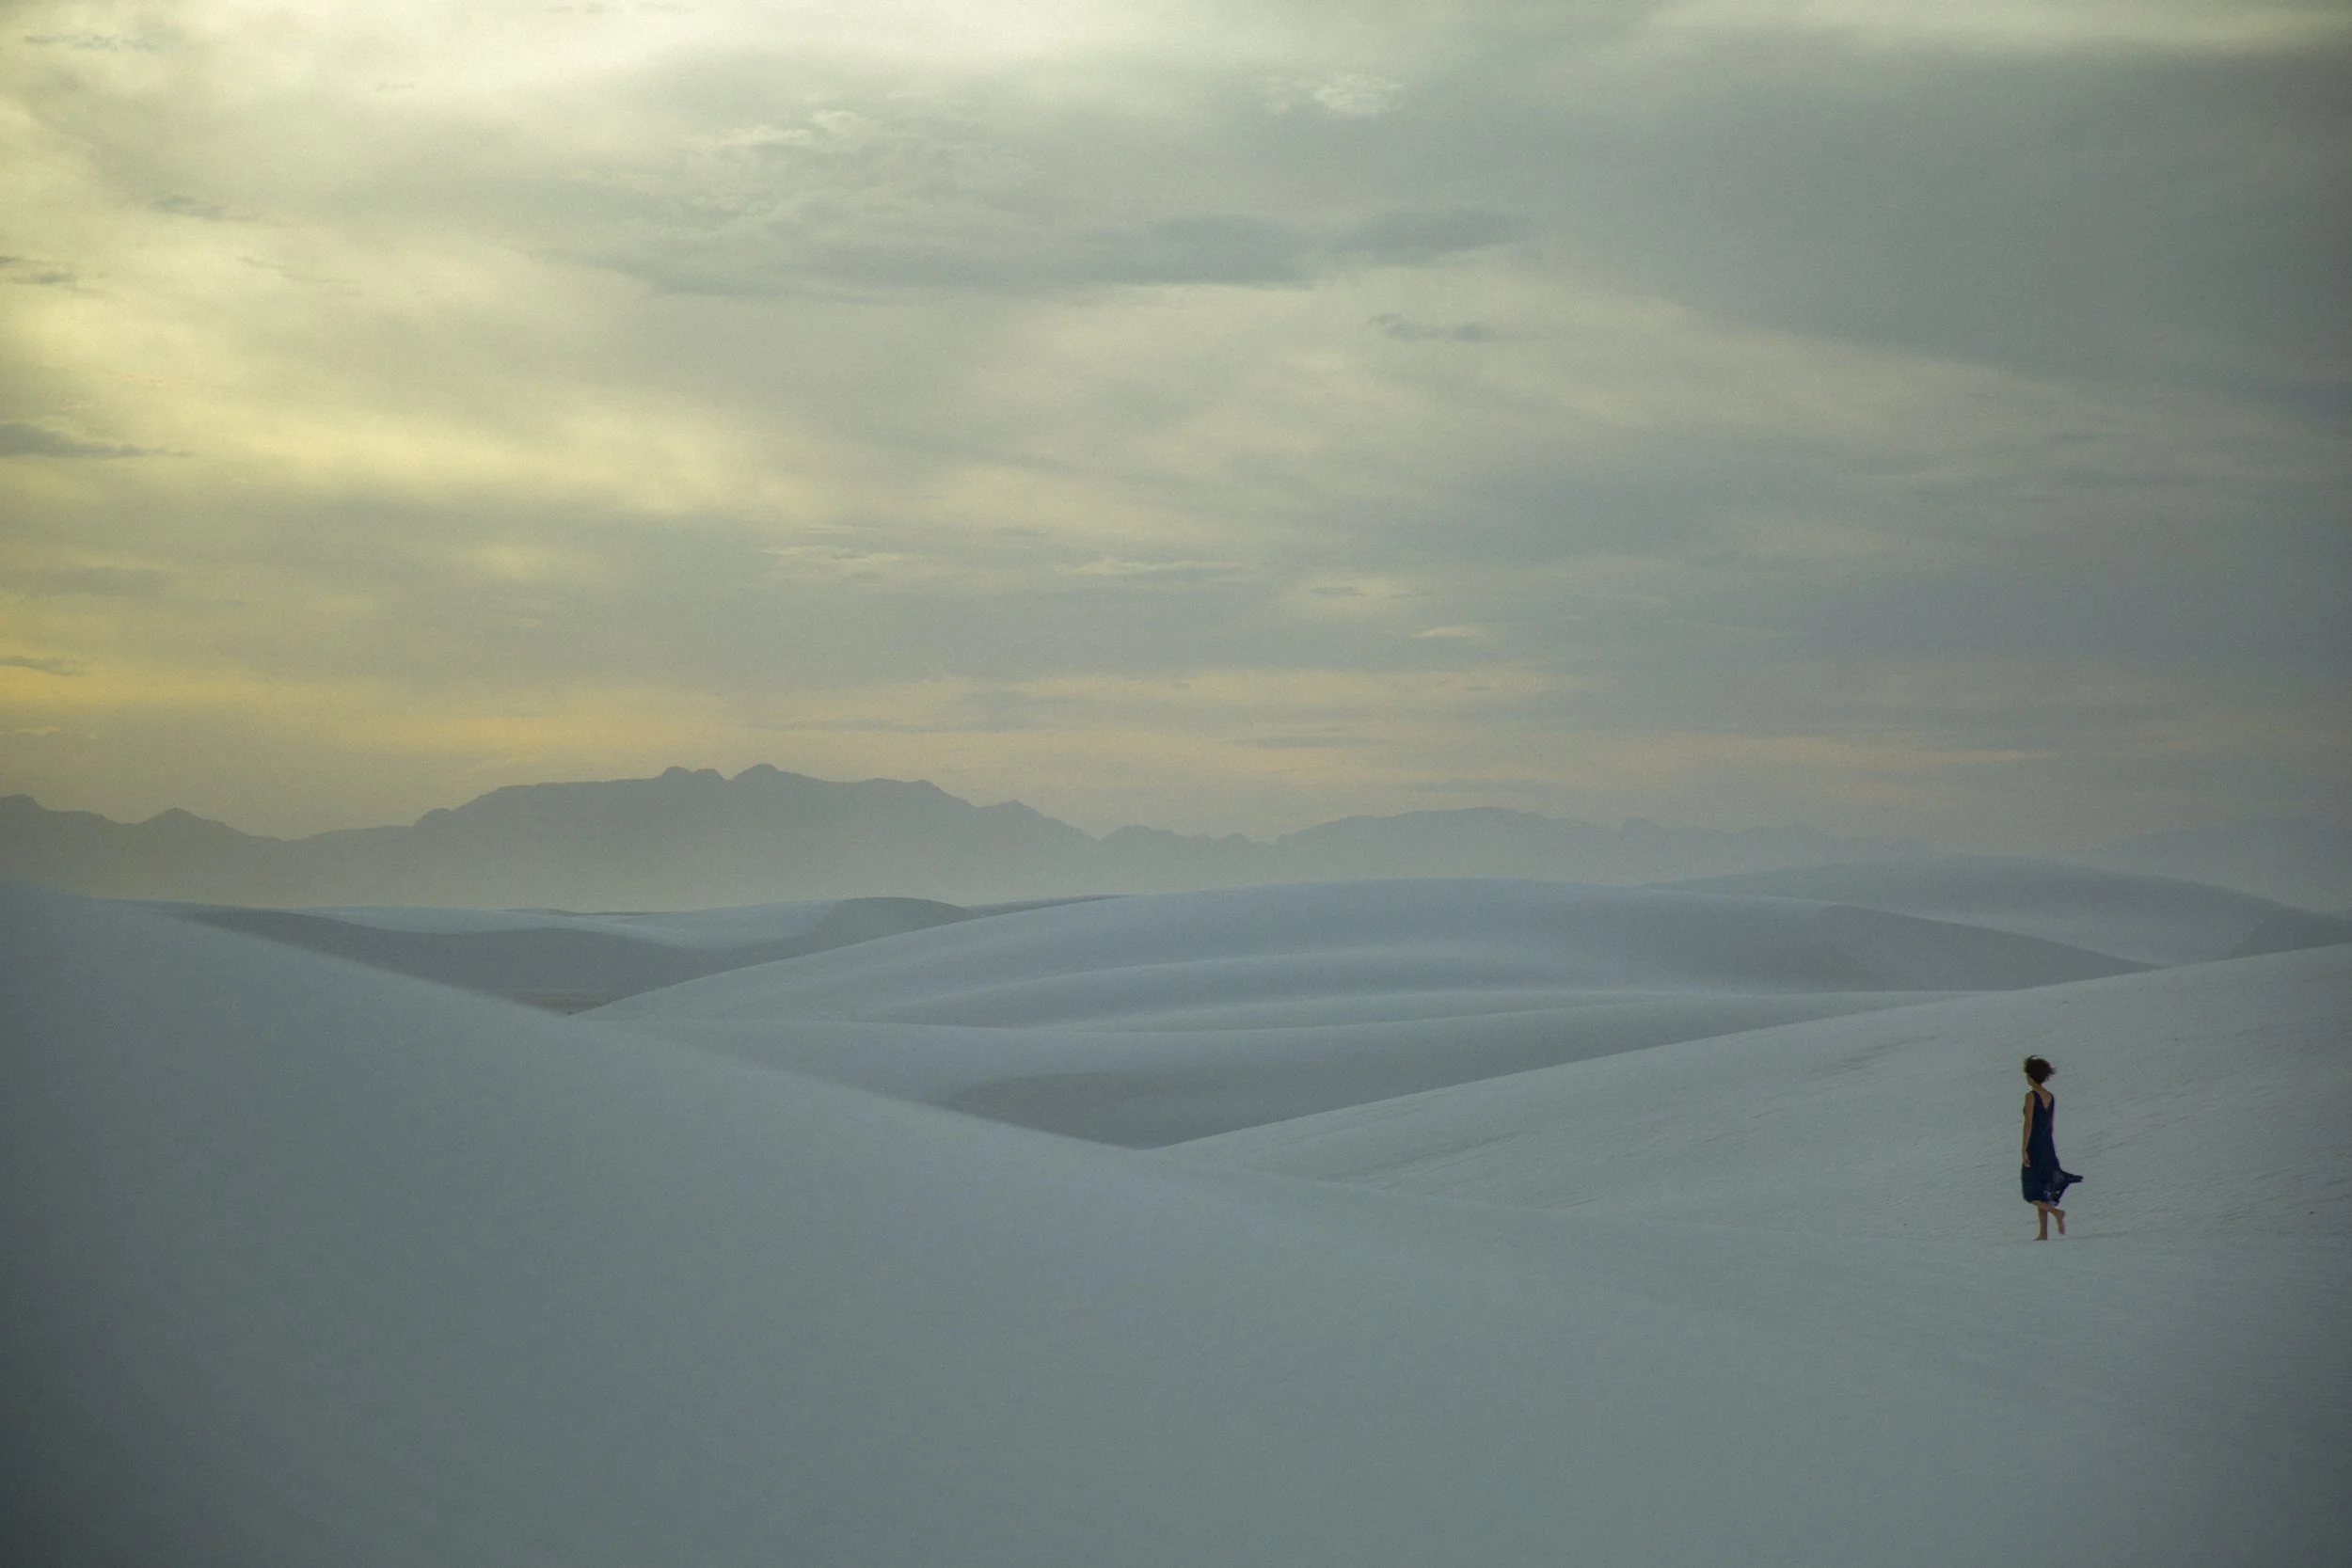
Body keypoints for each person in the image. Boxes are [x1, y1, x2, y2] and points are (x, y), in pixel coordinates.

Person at [2020, 1055, 2080, 1240]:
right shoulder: (2050, 1097)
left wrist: (2024, 1149)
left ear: (2031, 1076)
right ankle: (2043, 1233)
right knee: (2043, 1188)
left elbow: (2028, 1124)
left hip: (2035, 1145)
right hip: (2047, 1145)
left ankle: (2056, 1213)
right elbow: (2051, 1126)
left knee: (2031, 1190)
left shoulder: (2031, 1096)